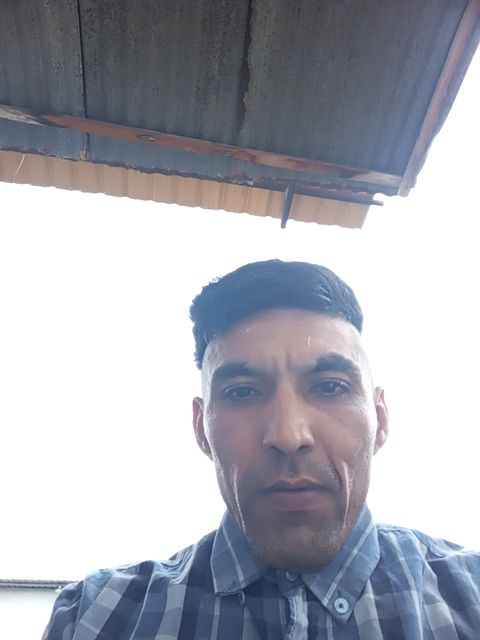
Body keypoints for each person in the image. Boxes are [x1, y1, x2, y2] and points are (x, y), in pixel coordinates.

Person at [43, 259, 480, 639]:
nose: (289, 435)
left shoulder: (470, 595)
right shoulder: (97, 618)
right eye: (241, 392)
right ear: (201, 428)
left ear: (380, 419)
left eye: (330, 387)